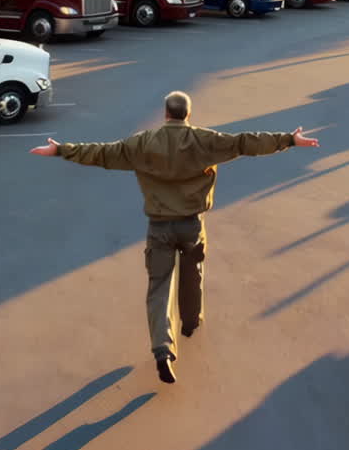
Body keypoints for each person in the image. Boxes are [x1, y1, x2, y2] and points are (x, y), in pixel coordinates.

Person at [30, 90, 319, 384]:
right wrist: (289, 140)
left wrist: (61, 149)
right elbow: (245, 142)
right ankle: (191, 323)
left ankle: (163, 350)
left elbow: (103, 153)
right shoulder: (205, 140)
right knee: (193, 274)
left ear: (166, 113)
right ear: (188, 114)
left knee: (159, 287)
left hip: (159, 226)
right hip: (192, 224)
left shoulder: (142, 142)